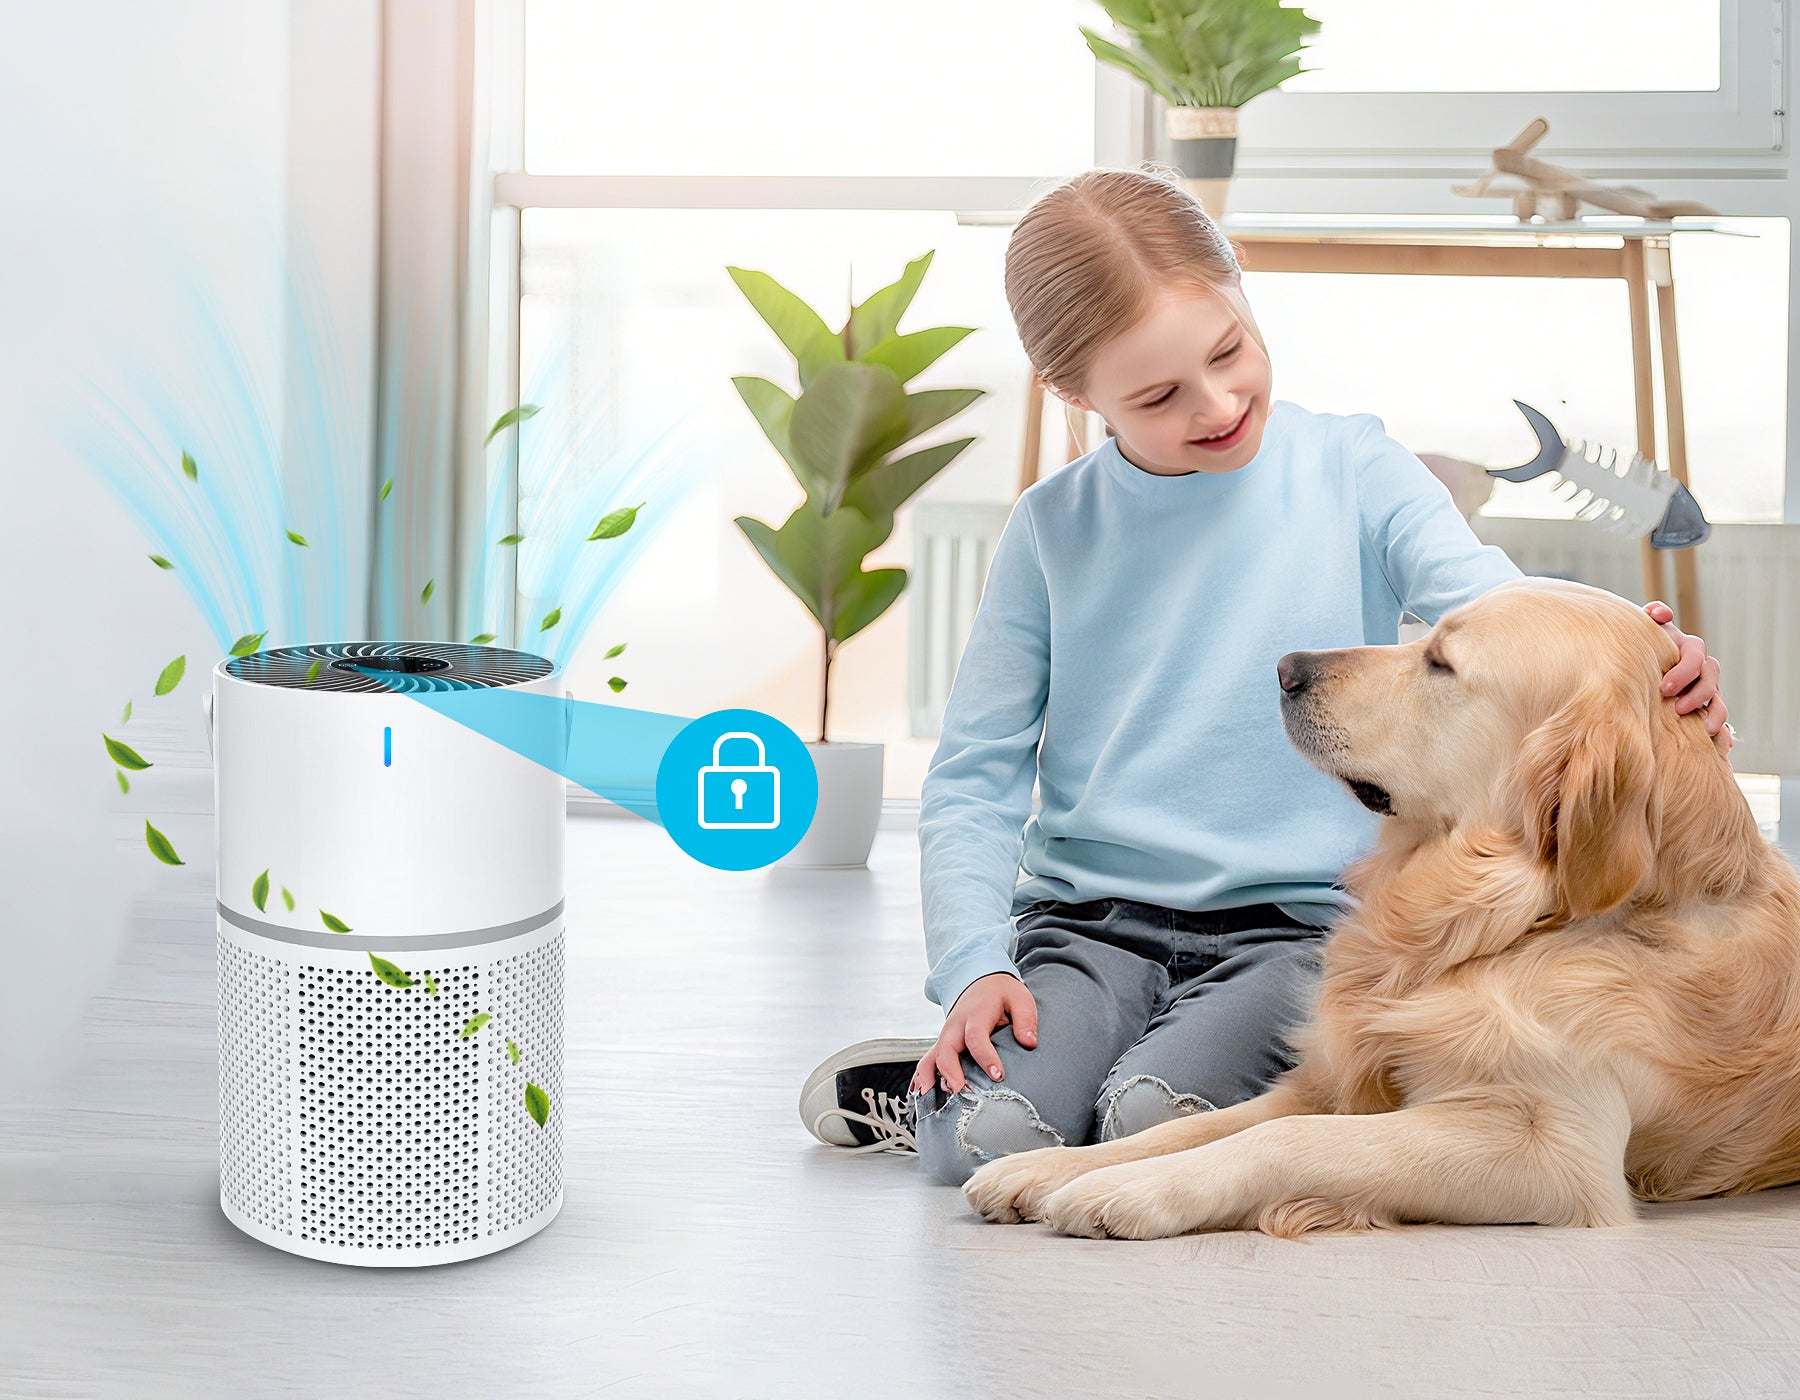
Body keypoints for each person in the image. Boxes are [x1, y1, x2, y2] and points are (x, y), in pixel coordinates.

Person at [797, 166, 1731, 1184]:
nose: (1218, 401)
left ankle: (1096, 1078)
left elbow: (1495, 609)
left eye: (1229, 350)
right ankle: (962, 1085)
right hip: (1088, 926)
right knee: (984, 1144)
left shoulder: (1357, 467)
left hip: (1294, 929)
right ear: (1074, 394)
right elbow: (974, 772)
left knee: (1153, 1116)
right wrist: (976, 964)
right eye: (1158, 396)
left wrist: (1643, 652)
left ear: (1238, 281)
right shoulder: (1051, 529)